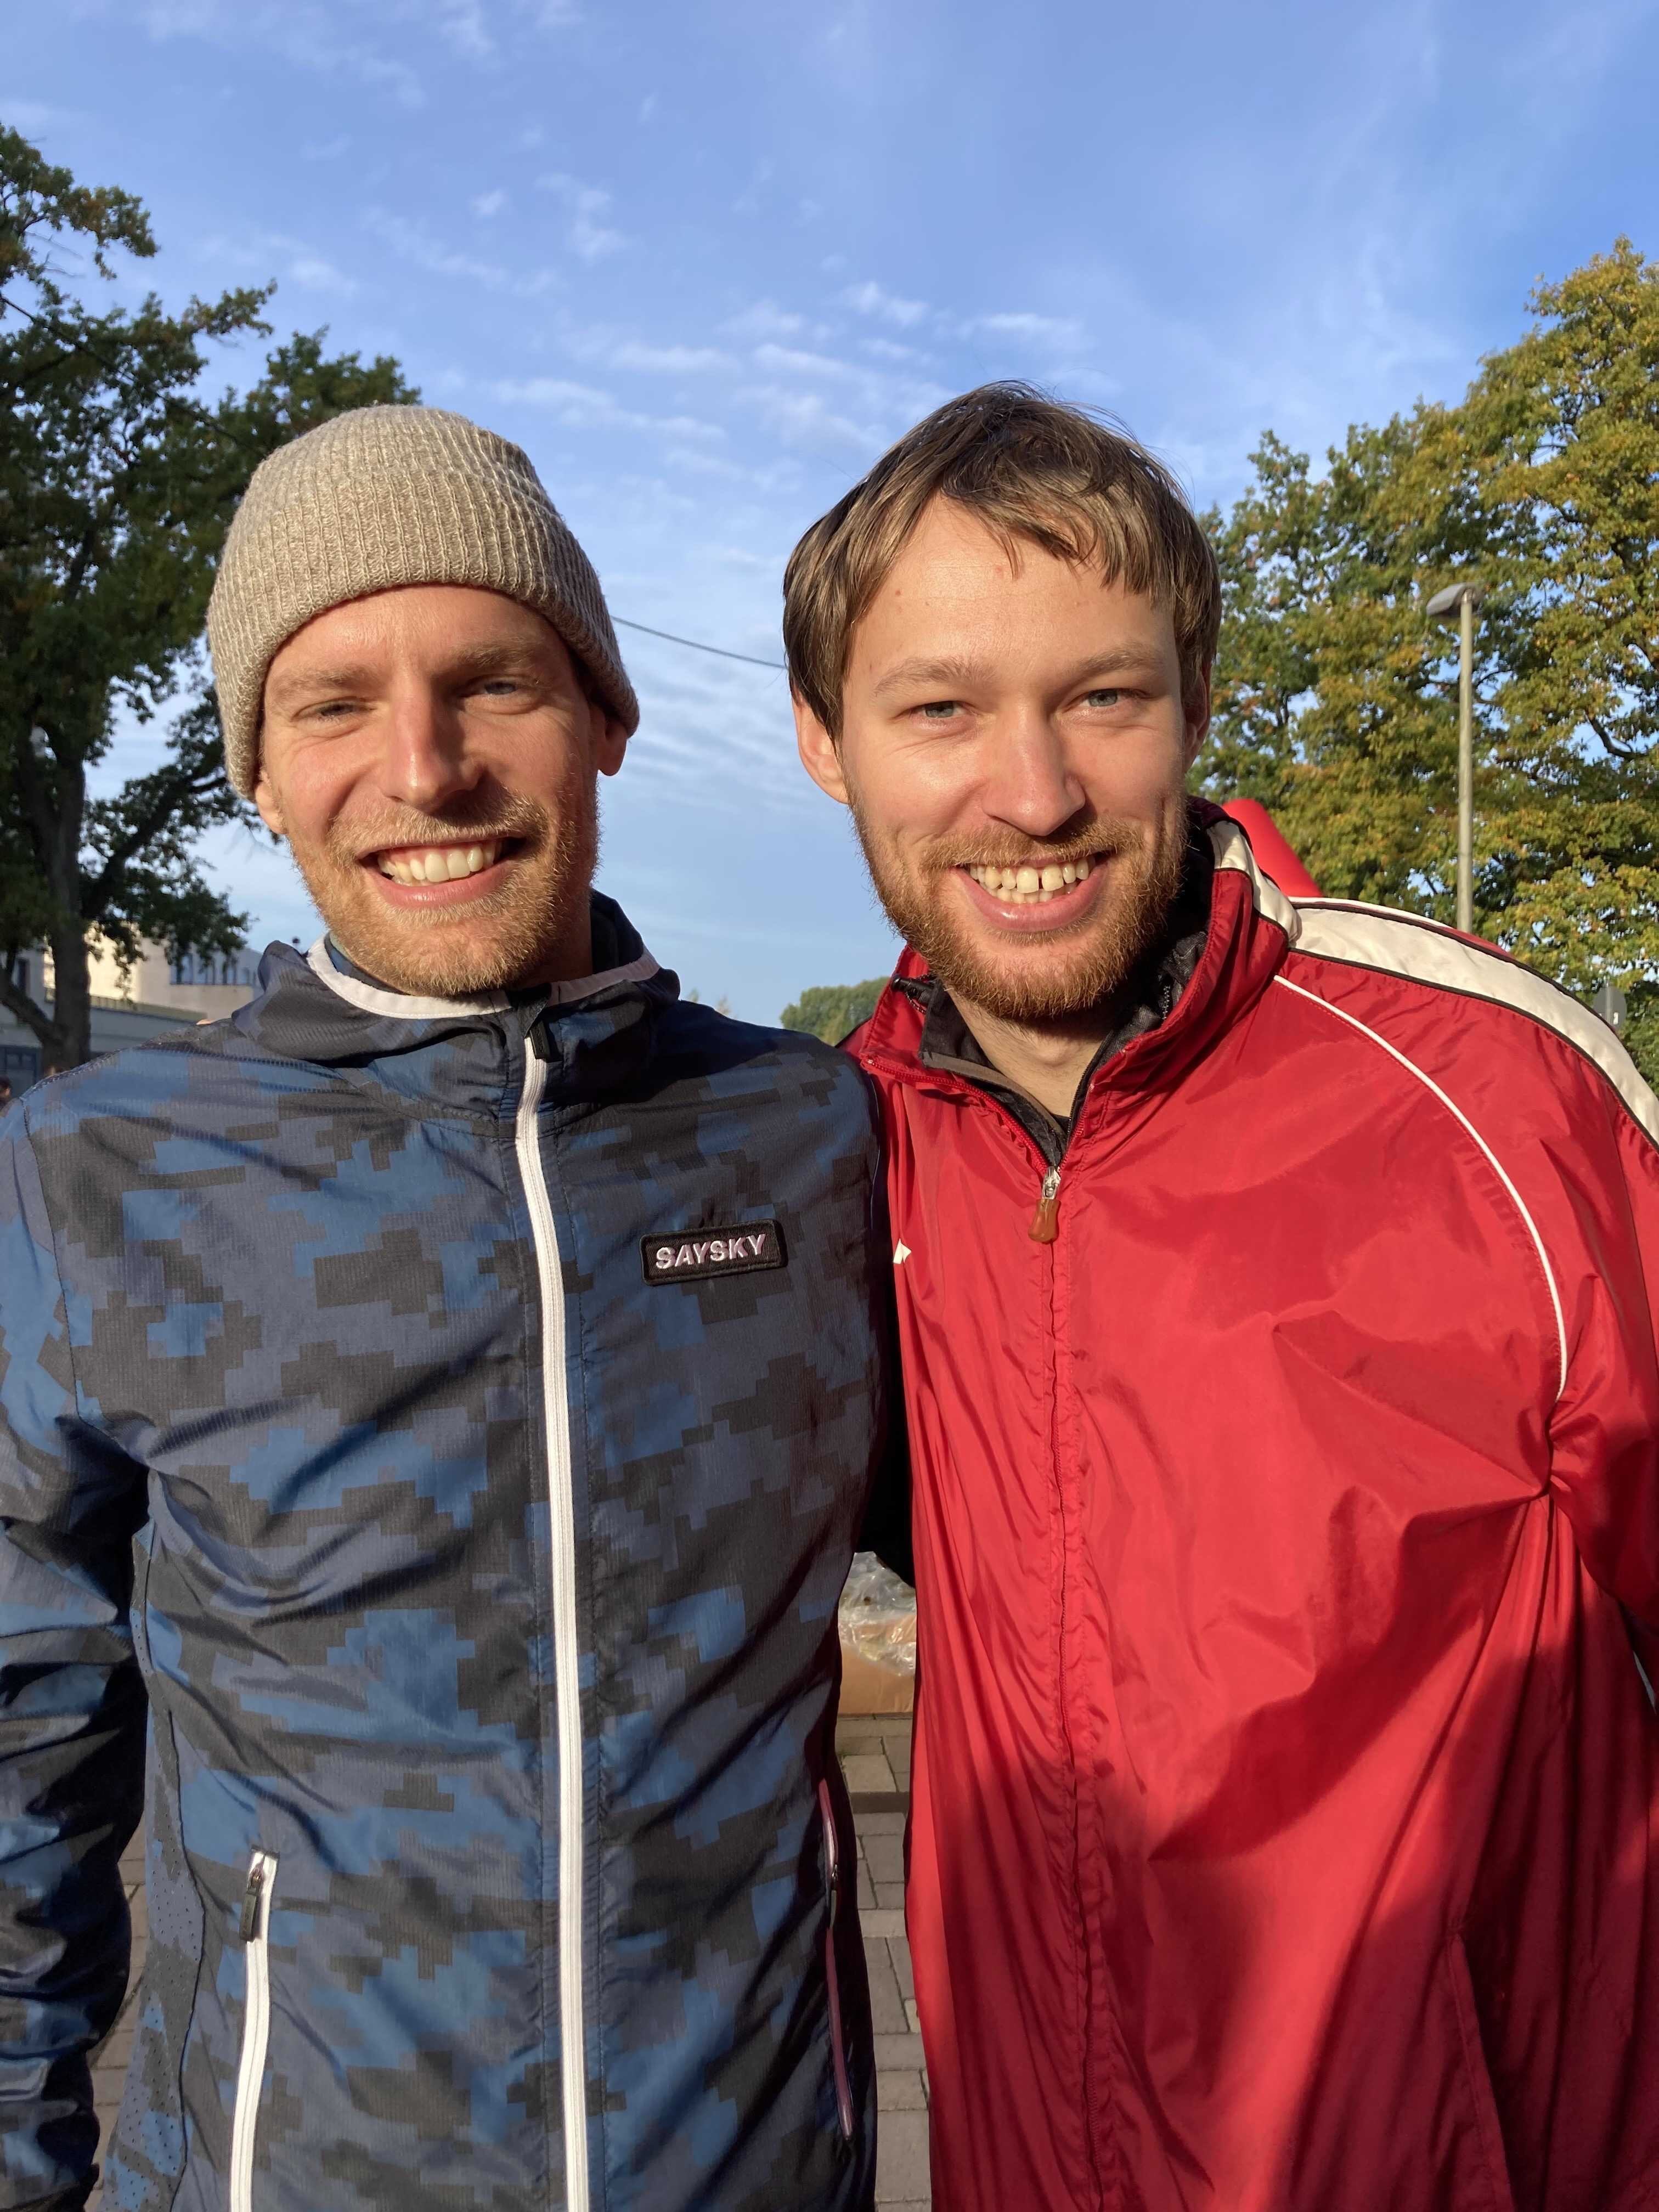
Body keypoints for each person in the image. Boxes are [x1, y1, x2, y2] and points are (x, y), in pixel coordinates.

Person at [0, 405, 895, 2212]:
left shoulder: (805, 1134)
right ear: (260, 769)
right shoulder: (95, 1168)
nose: (424, 766)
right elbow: (18, 1742)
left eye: (491, 681)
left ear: (608, 721)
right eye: (332, 704)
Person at [788, 382, 1659, 2212]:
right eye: (940, 708)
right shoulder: (831, 1154)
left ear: (1191, 705)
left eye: (1100, 696)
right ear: (826, 741)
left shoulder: (1500, 1096)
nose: (1032, 793)